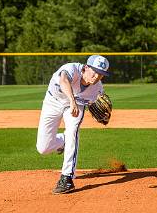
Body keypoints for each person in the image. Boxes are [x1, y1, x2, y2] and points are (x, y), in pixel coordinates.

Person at [36, 55, 110, 194]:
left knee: (72, 132)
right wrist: (71, 100)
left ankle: (67, 178)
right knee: (43, 148)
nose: (96, 77)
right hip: (53, 102)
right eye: (94, 72)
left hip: (75, 108)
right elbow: (64, 80)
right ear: (86, 67)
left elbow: (100, 104)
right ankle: (62, 142)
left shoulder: (97, 89)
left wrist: (105, 116)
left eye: (101, 75)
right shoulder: (71, 69)